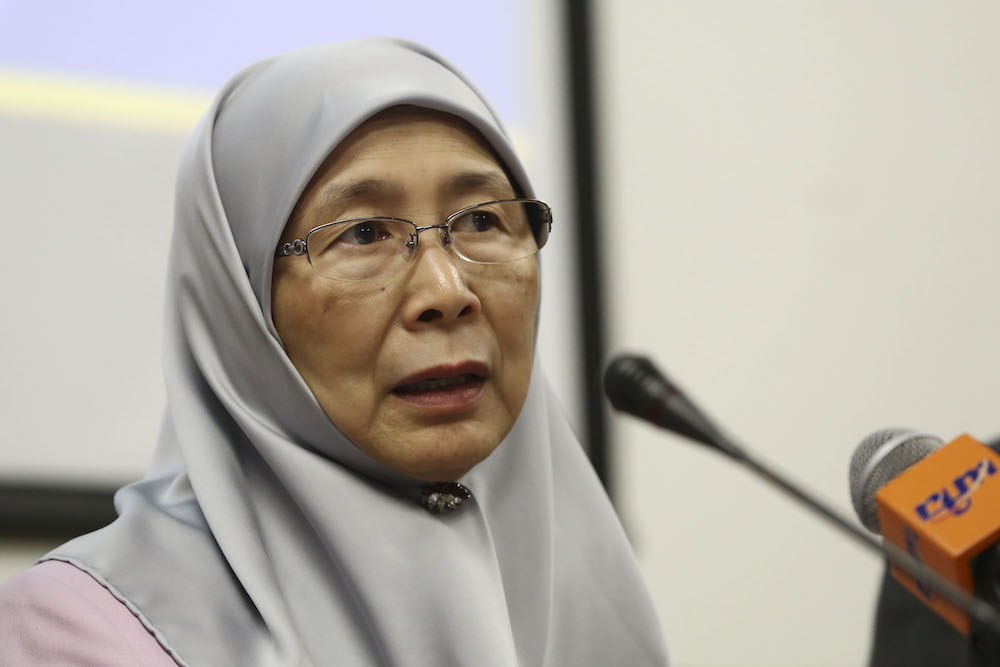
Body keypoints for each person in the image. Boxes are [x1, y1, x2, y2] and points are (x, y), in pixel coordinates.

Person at [0, 39, 669, 666]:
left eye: (482, 220)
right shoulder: (81, 630)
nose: (446, 290)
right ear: (243, 304)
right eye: (366, 232)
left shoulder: (581, 583)